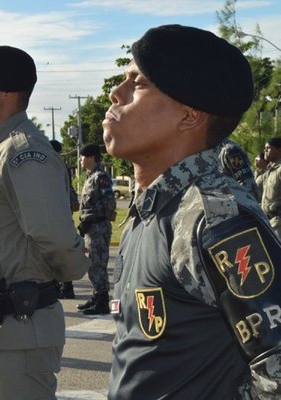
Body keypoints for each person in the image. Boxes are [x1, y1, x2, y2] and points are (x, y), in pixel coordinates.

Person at [103, 24, 281, 399]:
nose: (114, 95)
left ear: (189, 116)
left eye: (137, 84)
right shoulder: (152, 207)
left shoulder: (217, 218)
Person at [0, 45, 91, 400]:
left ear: (10, 91)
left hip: (19, 326)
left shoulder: (23, 152)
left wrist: (72, 269)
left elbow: (54, 236)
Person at [76, 143, 116, 315]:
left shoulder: (101, 176)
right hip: (91, 227)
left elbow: (109, 203)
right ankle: (96, 296)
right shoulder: (89, 177)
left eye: (83, 156)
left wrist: (94, 217)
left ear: (91, 157)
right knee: (92, 263)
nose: (80, 159)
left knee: (97, 264)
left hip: (98, 226)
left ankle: (102, 302)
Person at [50, 139, 79, 299]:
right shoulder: (62, 166)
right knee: (62, 250)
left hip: (57, 214)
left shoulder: (53, 166)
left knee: (59, 252)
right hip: (63, 214)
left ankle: (66, 287)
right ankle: (66, 286)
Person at [260, 137, 281, 237]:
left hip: (278, 221)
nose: (265, 151)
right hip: (268, 222)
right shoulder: (268, 171)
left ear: (278, 150)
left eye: (268, 148)